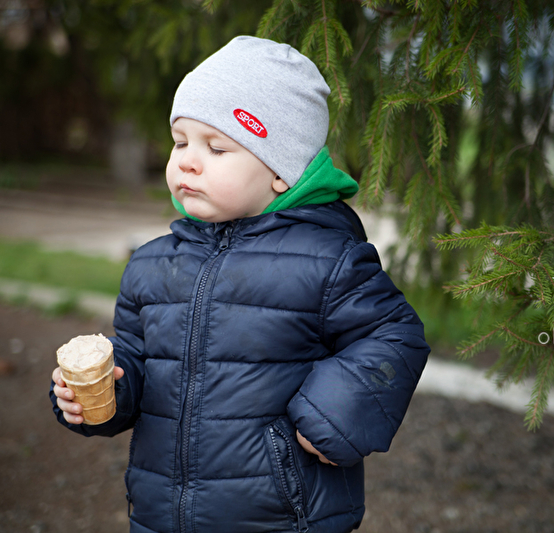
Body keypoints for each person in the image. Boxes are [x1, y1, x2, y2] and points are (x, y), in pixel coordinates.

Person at [50, 36, 430, 533]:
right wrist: (107, 393)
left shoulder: (326, 260)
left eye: (216, 147)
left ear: (280, 173)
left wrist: (334, 415)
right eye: (180, 141)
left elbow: (395, 335)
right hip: (163, 513)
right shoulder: (152, 264)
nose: (188, 160)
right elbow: (139, 359)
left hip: (279, 517)